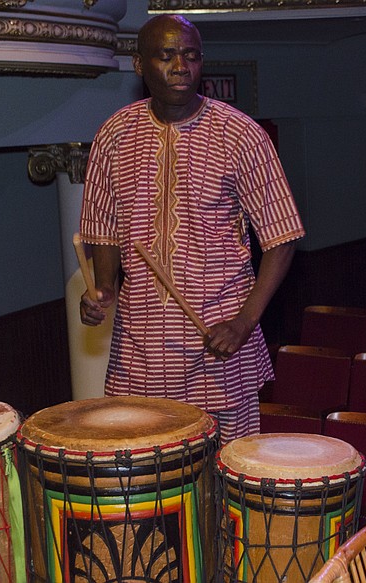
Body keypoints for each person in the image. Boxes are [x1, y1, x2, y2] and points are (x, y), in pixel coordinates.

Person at [79, 15, 304, 443]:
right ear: (139, 64)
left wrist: (243, 322)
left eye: (191, 55)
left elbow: (283, 237)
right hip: (140, 349)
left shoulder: (241, 134)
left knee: (224, 477)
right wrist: (102, 290)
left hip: (218, 343)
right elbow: (103, 230)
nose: (181, 65)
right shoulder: (114, 134)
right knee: (151, 481)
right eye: (166, 56)